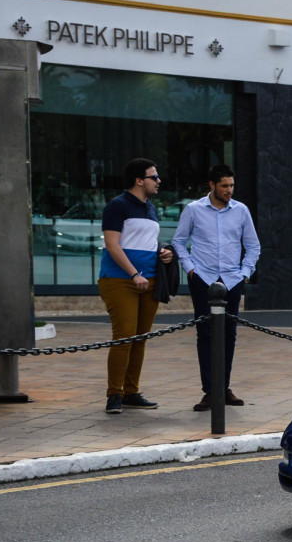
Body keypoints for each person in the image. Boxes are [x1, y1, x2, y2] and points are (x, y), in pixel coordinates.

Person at [172, 164, 262, 411]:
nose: (229, 190)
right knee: (206, 334)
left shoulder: (241, 211)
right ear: (212, 185)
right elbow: (179, 241)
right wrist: (190, 268)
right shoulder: (193, 209)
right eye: (224, 185)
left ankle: (224, 388)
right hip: (203, 278)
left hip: (232, 281)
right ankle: (210, 391)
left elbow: (253, 246)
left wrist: (245, 273)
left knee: (229, 334)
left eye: (231, 185)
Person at [98, 158, 175, 415]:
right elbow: (112, 245)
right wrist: (134, 274)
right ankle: (114, 394)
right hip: (120, 281)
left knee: (140, 339)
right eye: (154, 177)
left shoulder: (152, 209)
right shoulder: (117, 206)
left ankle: (131, 391)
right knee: (124, 338)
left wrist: (163, 252)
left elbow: (144, 241)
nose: (159, 181)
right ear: (139, 180)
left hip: (150, 280)